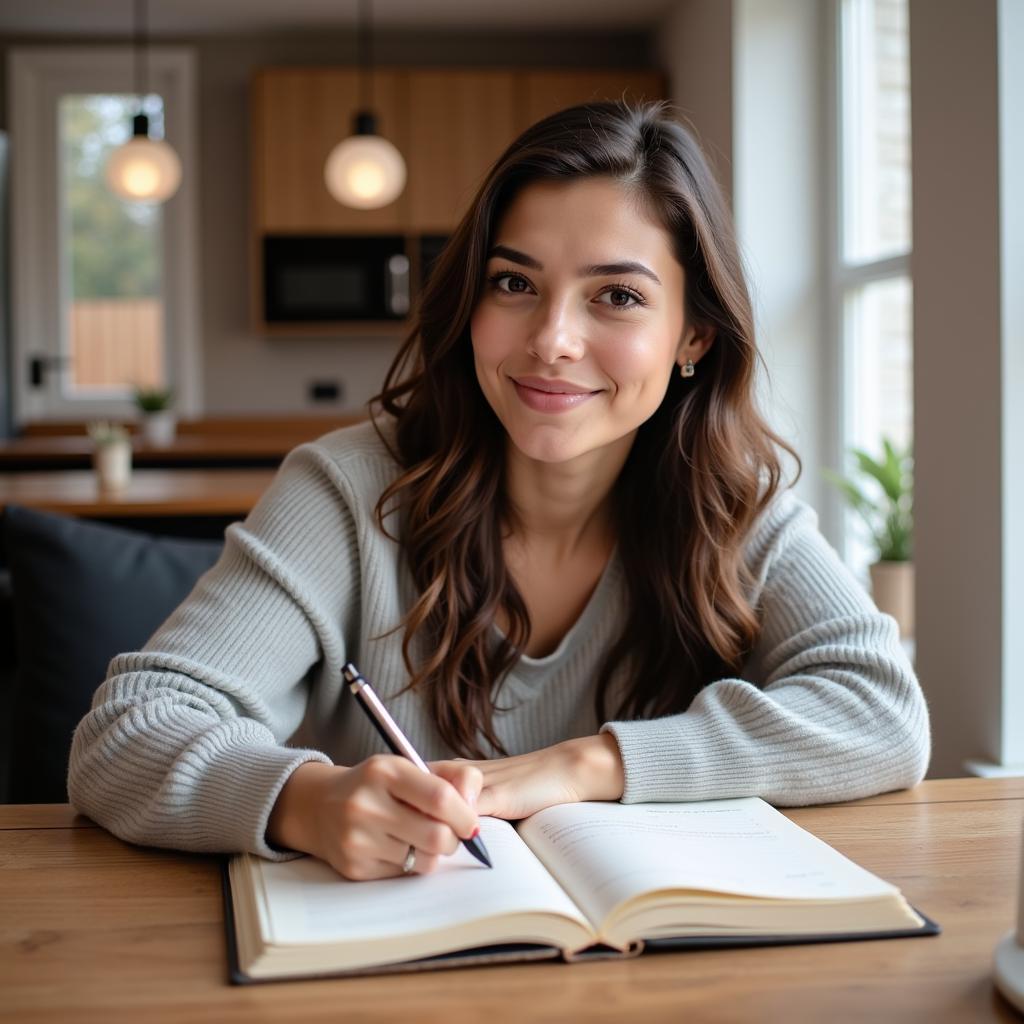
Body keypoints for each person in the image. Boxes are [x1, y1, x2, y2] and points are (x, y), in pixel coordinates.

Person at [68, 100, 930, 882]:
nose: (552, 340)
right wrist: (303, 800)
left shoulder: (734, 510)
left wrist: (589, 764)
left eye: (618, 296)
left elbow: (883, 712)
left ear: (694, 335)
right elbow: (126, 732)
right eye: (514, 283)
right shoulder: (344, 491)